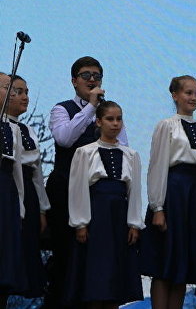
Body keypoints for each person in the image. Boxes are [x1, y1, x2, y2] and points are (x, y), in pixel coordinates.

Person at [47, 56, 127, 308]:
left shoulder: (111, 114)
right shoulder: (62, 109)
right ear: (74, 81)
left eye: (97, 75)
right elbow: (64, 139)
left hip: (100, 198)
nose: (92, 80)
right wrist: (91, 108)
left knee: (98, 260)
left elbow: (123, 149)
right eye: (86, 75)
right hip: (65, 192)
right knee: (66, 257)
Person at [141, 76, 196, 309]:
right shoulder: (167, 125)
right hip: (172, 194)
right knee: (165, 263)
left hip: (194, 197)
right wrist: (158, 207)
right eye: (188, 93)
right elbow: (157, 165)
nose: (193, 98)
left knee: (182, 264)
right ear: (175, 95)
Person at [65, 101, 144, 307]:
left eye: (119, 119)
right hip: (96, 215)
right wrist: (80, 223)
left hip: (120, 216)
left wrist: (134, 223)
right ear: (99, 121)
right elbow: (78, 188)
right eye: (110, 119)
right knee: (96, 274)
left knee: (116, 277)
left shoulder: (131, 155)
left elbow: (134, 191)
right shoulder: (85, 152)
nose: (115, 123)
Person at [5, 75, 50, 300]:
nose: (25, 97)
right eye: (19, 91)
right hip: (8, 191)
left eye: (26, 92)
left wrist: (42, 208)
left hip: (28, 196)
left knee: (23, 258)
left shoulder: (28, 130)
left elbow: (37, 172)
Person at [0, 73, 25, 308]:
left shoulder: (13, 129)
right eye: (6, 87)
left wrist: (20, 208)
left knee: (5, 266)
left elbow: (17, 169)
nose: (12, 93)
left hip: (6, 193)